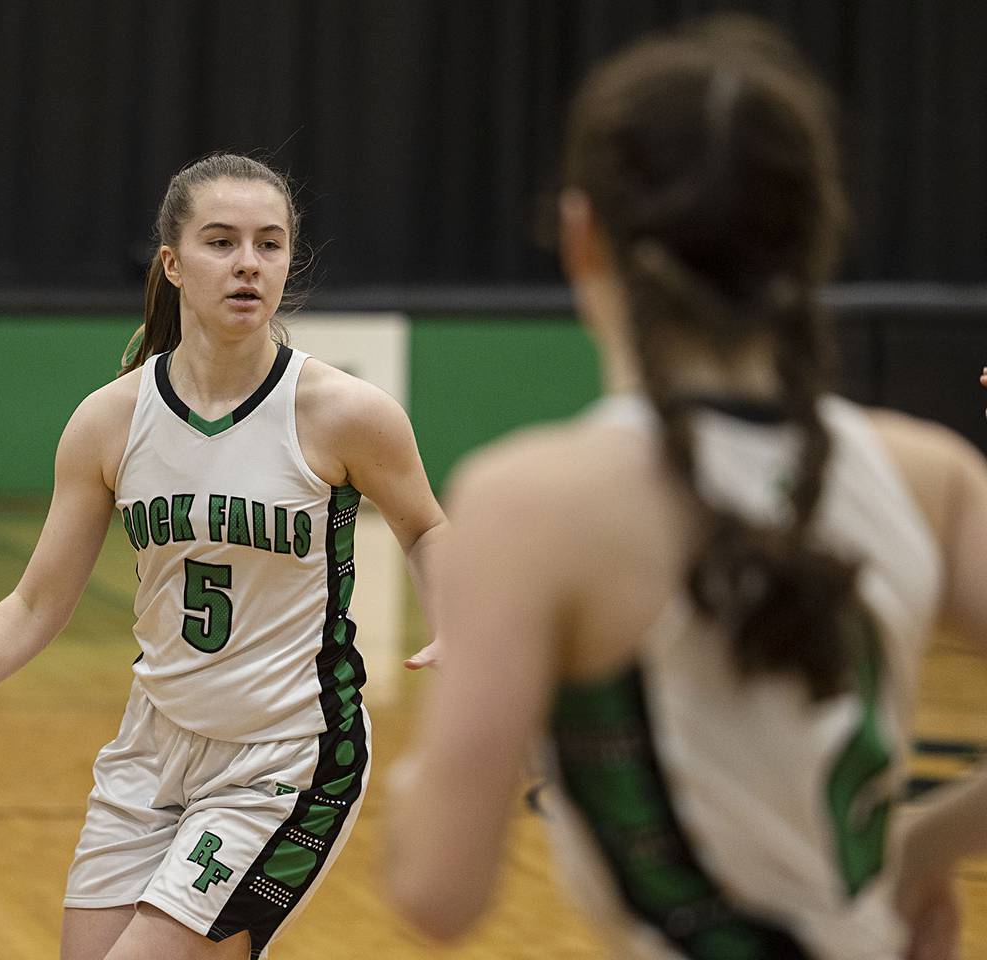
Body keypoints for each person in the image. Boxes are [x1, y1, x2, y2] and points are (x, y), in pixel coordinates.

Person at [385, 15, 987, 960]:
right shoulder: (933, 474)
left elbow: (437, 893)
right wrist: (918, 849)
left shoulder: (528, 503)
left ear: (582, 236)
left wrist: (433, 768)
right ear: (812, 239)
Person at [0, 152, 446, 960]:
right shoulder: (112, 421)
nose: (248, 262)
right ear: (173, 264)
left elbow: (425, 527)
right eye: (221, 242)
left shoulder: (344, 413)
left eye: (270, 244)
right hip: (152, 748)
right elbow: (37, 603)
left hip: (290, 755)